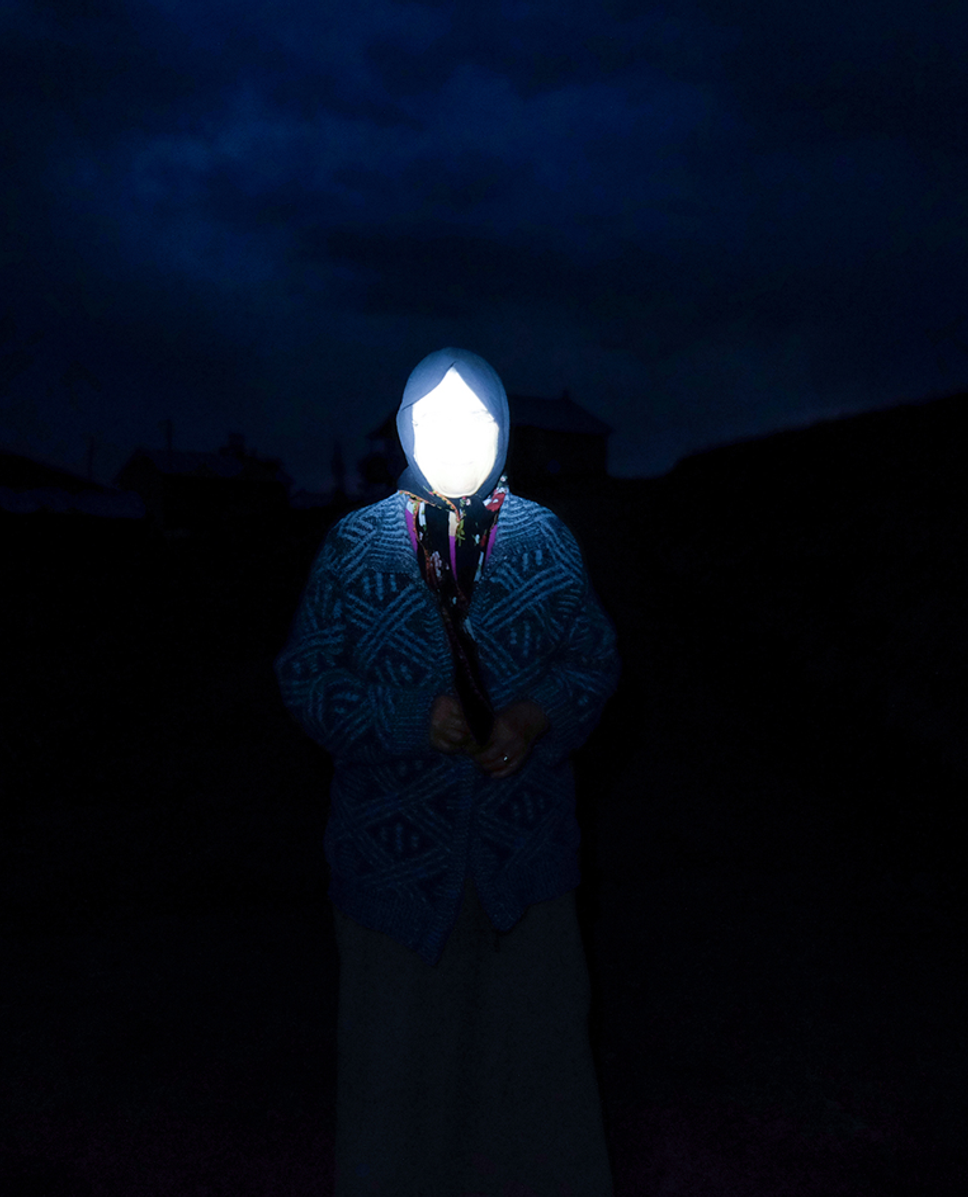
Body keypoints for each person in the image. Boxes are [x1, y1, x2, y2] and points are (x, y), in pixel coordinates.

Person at [274, 347, 619, 1196]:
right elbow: (308, 676)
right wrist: (406, 716)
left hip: (525, 863)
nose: (456, 438)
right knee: (398, 1082)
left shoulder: (546, 539)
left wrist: (536, 716)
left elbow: (592, 659)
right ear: (405, 431)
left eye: (474, 420)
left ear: (502, 428)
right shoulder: (353, 546)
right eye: (435, 421)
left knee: (534, 1080)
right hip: (393, 870)